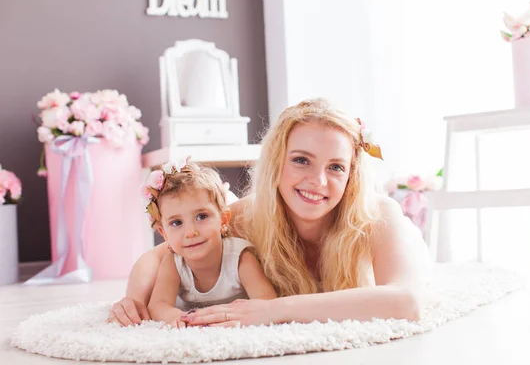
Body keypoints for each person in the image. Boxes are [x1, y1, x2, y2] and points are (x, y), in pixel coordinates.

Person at [109, 98, 432, 327]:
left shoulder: (378, 214)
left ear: (351, 175)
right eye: (301, 160)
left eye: (335, 167)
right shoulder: (249, 214)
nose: (317, 181)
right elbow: (159, 256)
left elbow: (407, 302)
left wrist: (274, 310)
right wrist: (134, 299)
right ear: (277, 163)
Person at [140, 159, 277, 328]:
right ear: (164, 233)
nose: (190, 232)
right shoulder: (174, 262)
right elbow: (158, 305)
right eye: (176, 223)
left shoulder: (240, 257)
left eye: (201, 217)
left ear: (223, 220)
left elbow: (266, 299)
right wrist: (181, 318)